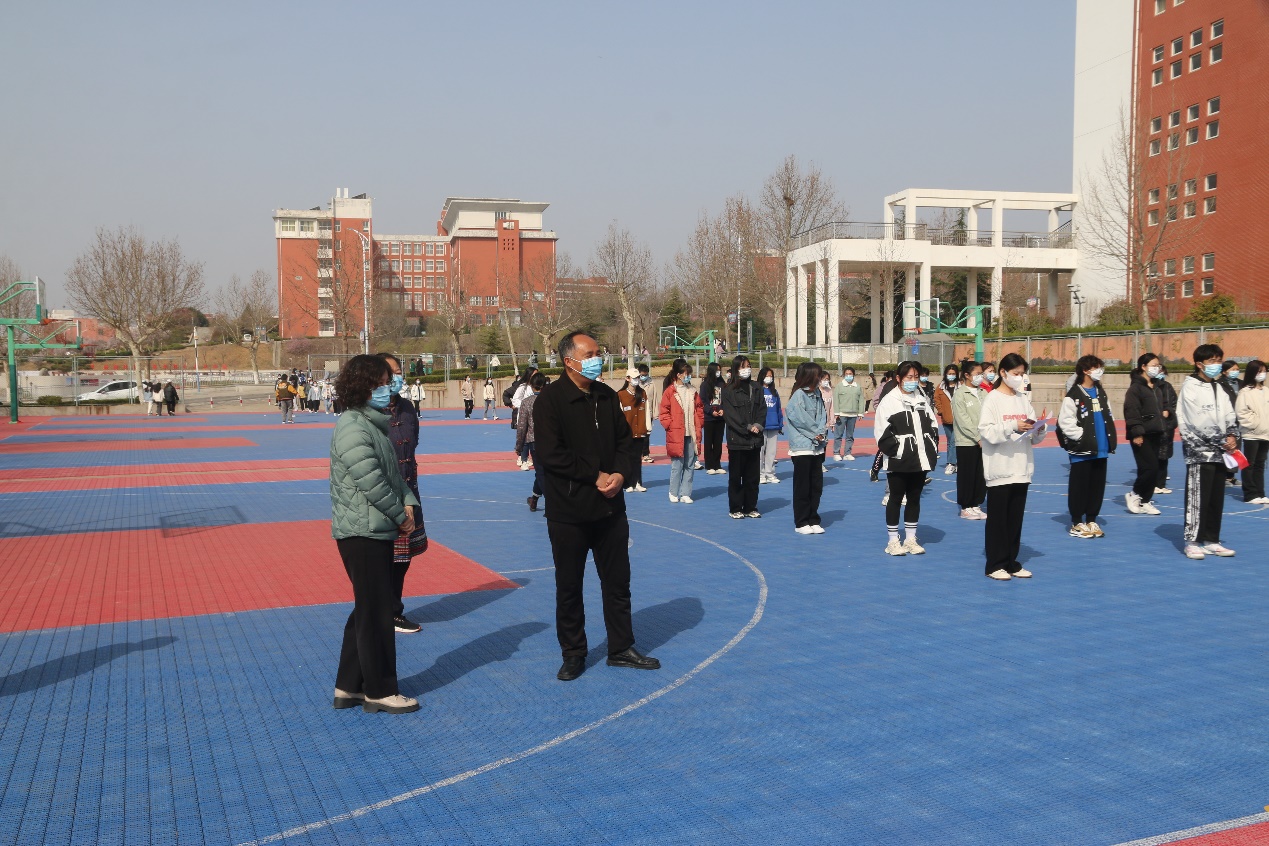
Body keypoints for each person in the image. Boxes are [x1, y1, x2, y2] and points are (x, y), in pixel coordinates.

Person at [534, 331, 660, 681]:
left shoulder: (605, 395)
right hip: (569, 512)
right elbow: (551, 454)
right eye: (589, 354)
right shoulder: (550, 400)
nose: (597, 359)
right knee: (569, 587)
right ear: (569, 361)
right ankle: (574, 653)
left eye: (597, 353)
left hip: (610, 509)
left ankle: (621, 647)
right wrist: (596, 475)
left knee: (618, 583)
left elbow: (625, 441)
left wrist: (620, 473)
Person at [329, 354, 422, 714]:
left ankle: (349, 686)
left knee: (368, 608)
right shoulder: (353, 427)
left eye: (389, 382)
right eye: (382, 383)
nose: (388, 388)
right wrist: (400, 514)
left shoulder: (372, 424)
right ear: (363, 386)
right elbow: (371, 482)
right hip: (362, 531)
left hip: (374, 528)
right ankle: (380, 690)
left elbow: (393, 476)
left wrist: (408, 501)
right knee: (377, 612)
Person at [979, 353, 1047, 580]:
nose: (1019, 378)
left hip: (1021, 467)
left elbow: (1033, 436)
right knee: (998, 520)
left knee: (1015, 520)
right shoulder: (992, 399)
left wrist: (1038, 429)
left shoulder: (1023, 399)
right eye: (1016, 374)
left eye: (1022, 374)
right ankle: (995, 564)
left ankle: (1011, 562)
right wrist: (1012, 425)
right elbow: (987, 432)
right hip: (1000, 468)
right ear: (1003, 373)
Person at [1178, 344, 1240, 559]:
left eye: (1218, 360)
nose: (1216, 365)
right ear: (1199, 364)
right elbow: (1196, 420)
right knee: (1198, 496)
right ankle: (1192, 541)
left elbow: (1229, 413)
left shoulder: (1219, 387)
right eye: (1212, 361)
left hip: (1220, 451)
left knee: (1216, 497)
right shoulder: (1190, 387)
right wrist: (1221, 439)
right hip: (1199, 451)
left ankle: (1212, 539)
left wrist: (1232, 435)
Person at [376, 353, 423, 634]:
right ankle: (387, 612)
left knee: (403, 559)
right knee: (383, 559)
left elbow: (413, 443)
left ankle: (393, 609)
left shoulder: (406, 407)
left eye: (398, 371)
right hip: (382, 497)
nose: (396, 377)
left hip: (408, 491)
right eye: (390, 373)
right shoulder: (368, 411)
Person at [875, 361, 939, 555]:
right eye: (909, 377)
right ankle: (893, 541)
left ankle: (911, 539)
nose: (913, 381)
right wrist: (898, 450)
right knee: (895, 498)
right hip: (899, 460)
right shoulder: (889, 401)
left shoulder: (921, 399)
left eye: (916, 377)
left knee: (914, 498)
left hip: (921, 459)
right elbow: (881, 432)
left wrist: (931, 446)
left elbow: (933, 426)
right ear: (899, 378)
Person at [1058, 355, 1116, 539]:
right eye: (1096, 368)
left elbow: (1109, 415)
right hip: (1082, 450)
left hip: (1101, 449)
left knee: (1097, 487)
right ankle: (1076, 522)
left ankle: (1091, 519)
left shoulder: (1100, 393)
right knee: (1079, 487)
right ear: (1085, 370)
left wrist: (1108, 436)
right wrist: (1082, 437)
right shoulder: (1074, 395)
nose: (1100, 371)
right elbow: (1065, 422)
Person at [785, 362, 828, 534]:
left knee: (816, 485)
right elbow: (799, 419)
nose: (820, 378)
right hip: (802, 447)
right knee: (802, 486)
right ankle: (801, 521)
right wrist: (815, 433)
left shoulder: (817, 393)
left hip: (817, 446)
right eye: (818, 375)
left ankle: (813, 518)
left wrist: (821, 432)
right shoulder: (798, 395)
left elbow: (822, 415)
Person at [722, 355, 766, 518]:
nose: (747, 369)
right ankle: (735, 508)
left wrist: (758, 425)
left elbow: (762, 409)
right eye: (743, 366)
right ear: (735, 369)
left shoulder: (756, 387)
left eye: (748, 366)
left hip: (755, 440)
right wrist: (747, 427)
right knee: (736, 476)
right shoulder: (728, 390)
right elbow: (731, 416)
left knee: (752, 477)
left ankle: (750, 507)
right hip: (738, 440)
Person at [1123, 353, 1165, 517]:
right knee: (1150, 467)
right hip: (1142, 434)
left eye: (1158, 365)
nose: (1157, 368)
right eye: (1153, 365)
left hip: (1156, 432)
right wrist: (1137, 432)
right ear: (1143, 367)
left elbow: (1162, 407)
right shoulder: (1135, 388)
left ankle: (1145, 500)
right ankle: (1134, 493)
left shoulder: (1157, 387)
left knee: (1152, 469)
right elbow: (1132, 411)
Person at [658, 358, 703, 503]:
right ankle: (673, 492)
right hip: (677, 433)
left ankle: (685, 493)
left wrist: (700, 423)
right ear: (678, 374)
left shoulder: (692, 391)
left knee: (690, 463)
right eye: (686, 373)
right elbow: (663, 411)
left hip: (691, 433)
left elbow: (699, 409)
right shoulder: (670, 391)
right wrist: (670, 425)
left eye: (689, 374)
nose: (688, 376)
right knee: (677, 465)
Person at [953, 361, 988, 520]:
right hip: (967, 442)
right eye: (977, 374)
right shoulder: (960, 394)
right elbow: (963, 420)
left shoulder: (983, 393)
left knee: (980, 475)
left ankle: (975, 504)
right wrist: (977, 437)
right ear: (967, 375)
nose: (980, 376)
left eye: (982, 373)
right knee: (967, 475)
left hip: (985, 440)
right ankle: (966, 507)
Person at [1236, 359, 1269, 504]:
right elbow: (1241, 413)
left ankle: (1260, 492)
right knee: (1249, 463)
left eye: (1264, 371)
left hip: (1266, 433)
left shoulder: (1266, 391)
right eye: (1259, 371)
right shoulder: (1245, 392)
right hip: (1252, 434)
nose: (1262, 374)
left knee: (1260, 464)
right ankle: (1250, 494)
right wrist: (1255, 424)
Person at [516, 372, 548, 511]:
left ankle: (551, 502)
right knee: (543, 472)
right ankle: (534, 499)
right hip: (552, 441)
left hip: (534, 441)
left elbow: (522, 426)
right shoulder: (552, 400)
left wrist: (519, 446)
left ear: (531, 385)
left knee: (541, 473)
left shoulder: (527, 402)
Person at [617, 370, 649, 492]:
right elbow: (618, 415)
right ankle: (628, 483)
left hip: (640, 431)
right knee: (627, 459)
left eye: (638, 377)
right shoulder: (620, 395)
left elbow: (647, 411)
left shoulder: (642, 393)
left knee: (637, 459)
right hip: (626, 433)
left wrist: (647, 427)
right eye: (634, 378)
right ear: (627, 378)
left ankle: (638, 482)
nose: (637, 380)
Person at [830, 367, 864, 461]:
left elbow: (861, 400)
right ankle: (836, 453)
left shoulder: (857, 387)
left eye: (850, 374)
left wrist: (860, 413)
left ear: (853, 375)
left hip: (853, 415)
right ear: (844, 375)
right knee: (838, 434)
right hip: (841, 414)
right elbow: (836, 400)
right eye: (847, 374)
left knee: (850, 435)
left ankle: (847, 453)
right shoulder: (839, 386)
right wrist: (836, 413)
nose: (848, 376)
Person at [699, 362, 727, 475]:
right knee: (709, 441)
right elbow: (702, 401)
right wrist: (711, 411)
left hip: (720, 418)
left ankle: (717, 464)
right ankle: (709, 465)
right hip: (709, 418)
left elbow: (726, 399)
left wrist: (723, 409)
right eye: (716, 370)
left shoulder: (722, 384)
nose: (718, 372)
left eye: (719, 370)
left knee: (718, 442)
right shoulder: (705, 385)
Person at [758, 366, 783, 484]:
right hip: (761, 426)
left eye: (771, 376)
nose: (769, 378)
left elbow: (778, 409)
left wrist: (780, 424)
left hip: (773, 425)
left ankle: (770, 473)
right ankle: (760, 474)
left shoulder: (774, 392)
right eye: (767, 376)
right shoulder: (758, 390)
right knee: (760, 452)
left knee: (771, 452)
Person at [934, 364, 959, 475]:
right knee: (950, 442)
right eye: (949, 373)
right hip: (946, 418)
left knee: (954, 441)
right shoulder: (941, 387)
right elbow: (936, 399)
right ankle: (954, 462)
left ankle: (951, 463)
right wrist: (941, 411)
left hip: (959, 420)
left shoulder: (960, 386)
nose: (951, 375)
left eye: (953, 374)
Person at [637, 362, 658, 464]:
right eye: (642, 375)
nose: (644, 377)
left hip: (648, 412)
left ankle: (646, 454)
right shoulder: (635, 383)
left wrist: (655, 413)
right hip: (637, 413)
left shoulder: (651, 383)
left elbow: (654, 398)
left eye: (645, 375)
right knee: (636, 434)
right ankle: (636, 453)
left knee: (646, 435)